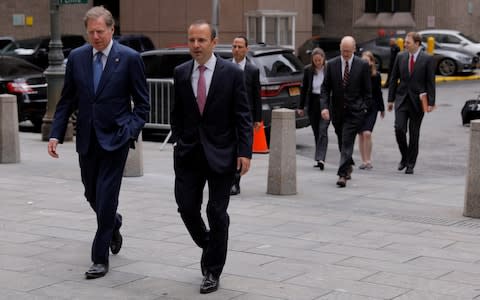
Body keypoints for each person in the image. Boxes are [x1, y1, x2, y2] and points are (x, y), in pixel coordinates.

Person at [47, 6, 150, 279]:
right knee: (91, 194)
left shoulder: (129, 58)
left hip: (116, 140)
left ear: (112, 29)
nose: (95, 37)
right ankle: (114, 223)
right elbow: (67, 99)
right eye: (91, 32)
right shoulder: (78, 58)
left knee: (106, 198)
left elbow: (142, 105)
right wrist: (56, 133)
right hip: (87, 141)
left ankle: (99, 258)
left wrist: (129, 131)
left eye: (100, 31)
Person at [171, 20, 252, 294]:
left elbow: (243, 115)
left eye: (201, 40)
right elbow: (178, 115)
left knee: (216, 212)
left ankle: (212, 271)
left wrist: (245, 152)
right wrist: (181, 141)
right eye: (192, 40)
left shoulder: (231, 73)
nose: (196, 45)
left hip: (222, 154)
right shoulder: (180, 73)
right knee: (186, 207)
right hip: (189, 154)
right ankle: (209, 242)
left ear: (214, 42)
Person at [319, 36, 372, 187]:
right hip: (337, 111)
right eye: (343, 51)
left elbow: (368, 91)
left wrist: (363, 107)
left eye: (348, 51)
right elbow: (325, 88)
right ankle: (348, 165)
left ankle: (342, 174)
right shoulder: (332, 64)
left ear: (354, 49)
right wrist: (324, 107)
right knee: (342, 140)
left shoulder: (362, 65)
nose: (346, 54)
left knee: (347, 140)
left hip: (355, 111)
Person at [388, 31, 435, 174]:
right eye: (405, 42)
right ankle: (404, 156)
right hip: (401, 99)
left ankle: (410, 163)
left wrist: (431, 102)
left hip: (418, 101)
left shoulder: (427, 59)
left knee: (414, 134)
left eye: (408, 42)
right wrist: (390, 99)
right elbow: (393, 78)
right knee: (399, 129)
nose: (405, 44)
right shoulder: (400, 56)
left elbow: (430, 82)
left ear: (417, 43)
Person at [230, 35, 261, 196]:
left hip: (245, 116)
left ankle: (235, 181)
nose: (236, 49)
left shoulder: (253, 70)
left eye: (240, 46)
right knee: (229, 149)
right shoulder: (225, 66)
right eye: (234, 46)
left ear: (246, 49)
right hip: (227, 116)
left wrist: (257, 118)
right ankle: (228, 179)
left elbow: (257, 95)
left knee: (241, 149)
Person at [297, 47, 329, 170]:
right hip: (313, 102)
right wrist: (300, 107)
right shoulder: (308, 70)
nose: (318, 62)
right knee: (316, 131)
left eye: (319, 60)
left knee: (322, 130)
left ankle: (321, 158)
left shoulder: (328, 69)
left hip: (325, 102)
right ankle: (318, 157)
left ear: (323, 59)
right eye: (315, 60)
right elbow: (304, 89)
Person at [357, 51, 385, 170]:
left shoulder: (376, 75)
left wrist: (382, 108)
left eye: (367, 60)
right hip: (359, 107)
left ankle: (368, 160)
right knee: (361, 134)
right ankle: (363, 160)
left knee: (367, 133)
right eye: (363, 60)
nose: (365, 62)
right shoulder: (357, 74)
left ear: (372, 62)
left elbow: (378, 93)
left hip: (372, 107)